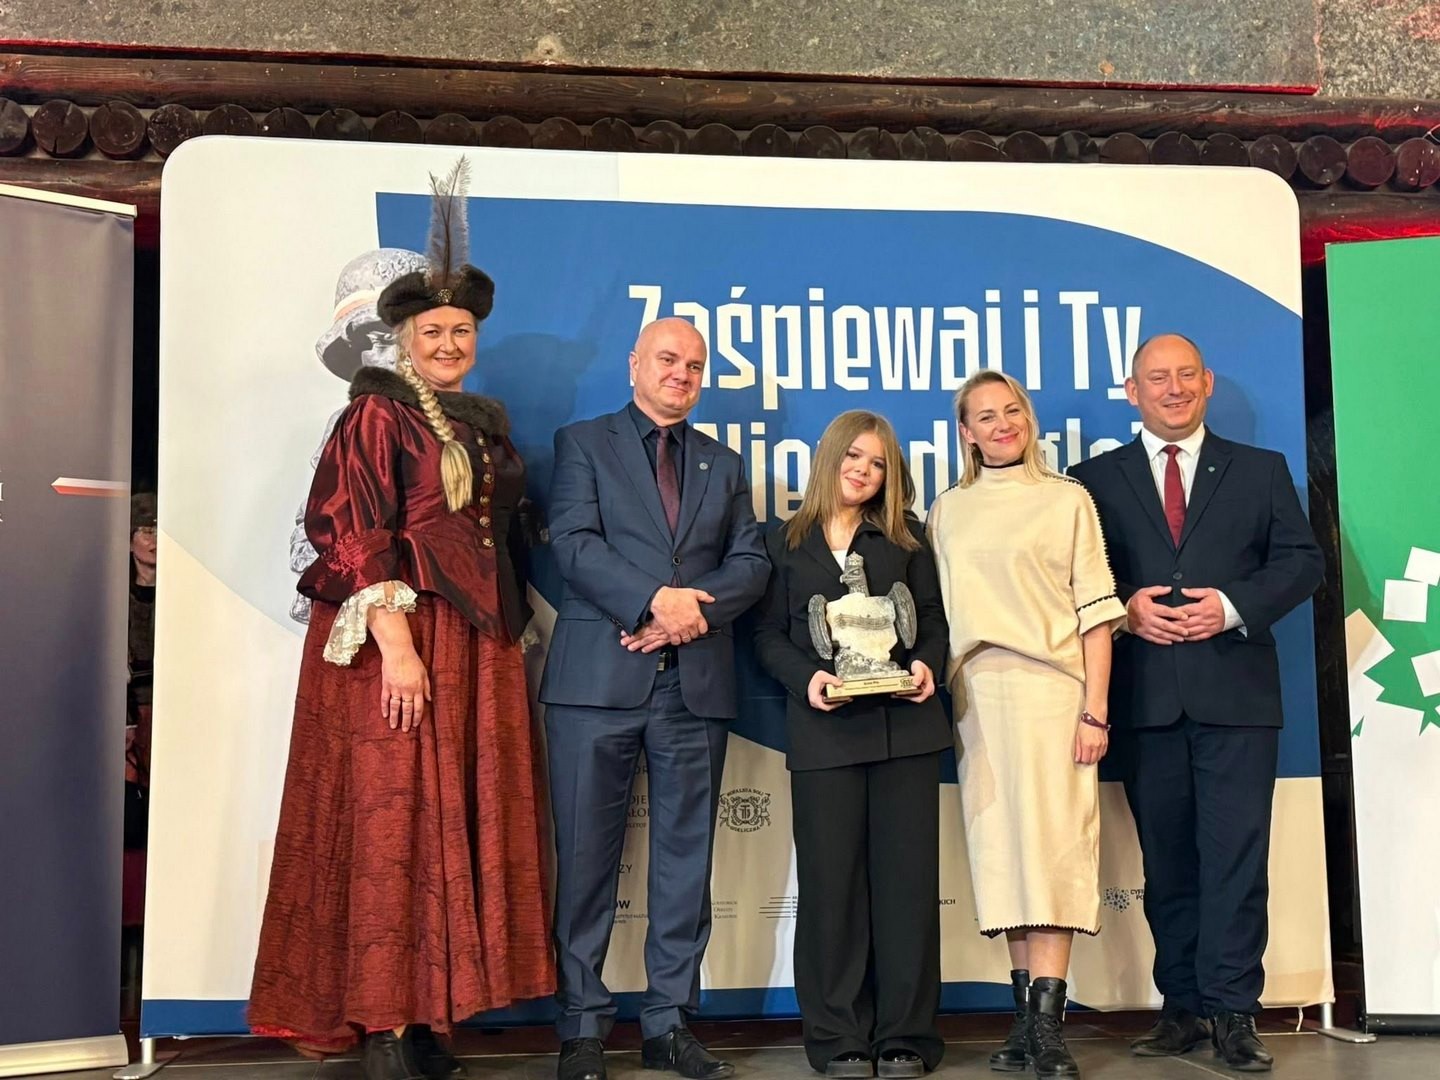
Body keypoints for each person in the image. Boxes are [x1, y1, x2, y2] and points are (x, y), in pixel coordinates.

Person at [248, 164, 555, 1080]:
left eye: (462, 331)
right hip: (404, 639)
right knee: (393, 823)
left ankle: (429, 1017)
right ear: (405, 339)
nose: (450, 343)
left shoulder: (481, 425)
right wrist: (396, 647)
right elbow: (349, 530)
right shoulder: (376, 415)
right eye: (434, 332)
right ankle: (383, 1023)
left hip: (475, 643)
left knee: (444, 823)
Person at [1067, 334, 1323, 1073]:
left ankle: (1234, 1011)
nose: (1173, 388)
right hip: (1145, 700)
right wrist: (1124, 610)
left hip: (1237, 699)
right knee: (1168, 862)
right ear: (1132, 391)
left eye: (1186, 375)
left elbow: (1302, 562)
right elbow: (1073, 579)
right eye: (1158, 378)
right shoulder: (1090, 482)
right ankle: (1181, 1005)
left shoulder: (1261, 470)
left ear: (1207, 383)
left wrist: (1233, 606)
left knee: (1236, 860)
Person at [539, 316, 770, 1080]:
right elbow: (573, 542)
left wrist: (686, 614)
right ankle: (581, 1026)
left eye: (695, 366)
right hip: (595, 686)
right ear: (635, 362)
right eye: (669, 359)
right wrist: (652, 601)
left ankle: (669, 1022)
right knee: (585, 862)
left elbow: (750, 561)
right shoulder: (583, 443)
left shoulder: (722, 463)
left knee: (684, 864)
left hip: (693, 685)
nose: (682, 374)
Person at [927, 370, 1127, 1080]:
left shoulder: (1067, 499)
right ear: (966, 432)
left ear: (1028, 418)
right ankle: (1023, 1024)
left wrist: (1095, 710)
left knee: (1052, 856)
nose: (1002, 424)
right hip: (978, 699)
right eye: (985, 416)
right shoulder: (947, 510)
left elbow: (1096, 614)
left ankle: (1048, 1029)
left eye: (1012, 410)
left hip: (1052, 695)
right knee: (1004, 858)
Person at [751, 411, 949, 1079]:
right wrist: (806, 679)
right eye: (854, 457)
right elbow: (766, 635)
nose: (863, 471)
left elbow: (935, 622)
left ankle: (906, 1035)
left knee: (907, 889)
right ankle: (838, 1037)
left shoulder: (907, 538)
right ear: (830, 457)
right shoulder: (782, 542)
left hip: (906, 732)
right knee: (831, 890)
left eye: (878, 462)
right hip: (824, 734)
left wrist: (926, 665)